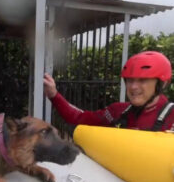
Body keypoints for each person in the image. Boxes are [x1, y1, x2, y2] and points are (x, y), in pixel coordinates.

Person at [44, 51, 174, 131]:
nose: (133, 87)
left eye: (142, 80)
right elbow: (79, 118)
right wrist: (53, 95)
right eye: (129, 80)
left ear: (162, 84)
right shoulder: (116, 112)